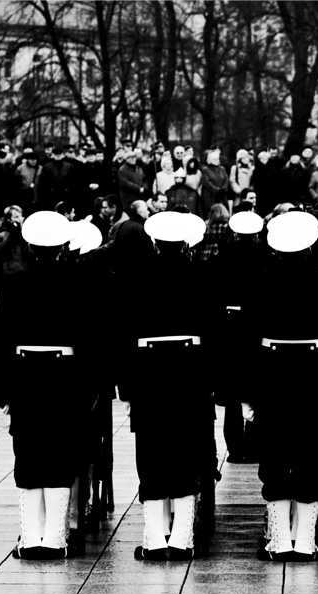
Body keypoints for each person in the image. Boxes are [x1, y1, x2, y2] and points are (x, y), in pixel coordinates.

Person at [240, 212, 318, 562]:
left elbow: (247, 341)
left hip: (272, 374)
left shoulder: (259, 281)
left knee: (274, 457)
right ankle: (306, 541)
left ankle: (279, 540)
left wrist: (246, 392)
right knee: (313, 457)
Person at [0, 211, 99, 559]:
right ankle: (55, 538)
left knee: (27, 452)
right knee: (60, 452)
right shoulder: (78, 282)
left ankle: (30, 537)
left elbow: (2, 340)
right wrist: (89, 387)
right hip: (65, 376)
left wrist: (2, 391)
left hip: (25, 375)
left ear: (29, 246)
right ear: (62, 246)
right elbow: (89, 339)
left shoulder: (13, 282)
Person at [115, 211, 217, 560]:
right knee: (187, 454)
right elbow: (215, 332)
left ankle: (155, 539)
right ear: (186, 243)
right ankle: (182, 538)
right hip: (191, 374)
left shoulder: (135, 275)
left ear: (155, 243)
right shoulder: (203, 274)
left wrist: (126, 387)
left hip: (148, 374)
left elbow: (124, 334)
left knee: (151, 454)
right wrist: (212, 380)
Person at [209, 210, 271, 464]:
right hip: (257, 326)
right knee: (256, 384)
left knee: (232, 389)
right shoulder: (266, 256)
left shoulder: (221, 256)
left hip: (228, 326)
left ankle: (235, 448)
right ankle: (255, 446)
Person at [200, 149, 229, 215]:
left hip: (222, 194)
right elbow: (206, 182)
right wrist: (216, 189)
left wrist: (223, 188)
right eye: (215, 159)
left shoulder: (222, 168)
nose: (218, 160)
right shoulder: (205, 169)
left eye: (218, 159)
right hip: (210, 195)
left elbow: (226, 179)